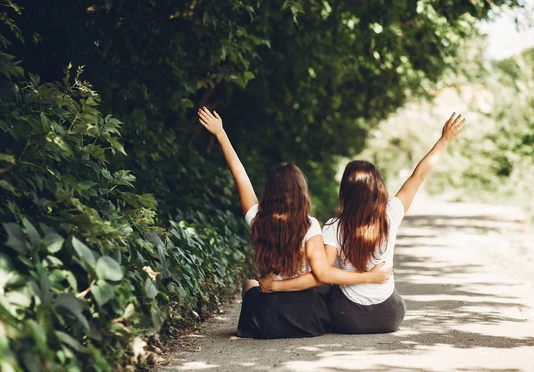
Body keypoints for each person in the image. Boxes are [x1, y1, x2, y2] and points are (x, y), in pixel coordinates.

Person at [260, 113, 466, 334]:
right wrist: (444, 140)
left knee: (327, 289)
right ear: (378, 188)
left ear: (345, 193)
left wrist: (279, 285)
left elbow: (323, 275)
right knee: (395, 299)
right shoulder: (391, 213)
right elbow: (419, 175)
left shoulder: (334, 226)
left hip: (347, 319)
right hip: (389, 317)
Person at [197, 107, 392, 339]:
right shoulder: (310, 226)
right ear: (302, 194)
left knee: (250, 284)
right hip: (307, 319)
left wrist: (221, 134)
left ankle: (255, 318)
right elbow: (319, 275)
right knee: (327, 287)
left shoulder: (258, 219)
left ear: (269, 193)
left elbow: (239, 173)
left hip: (264, 320)